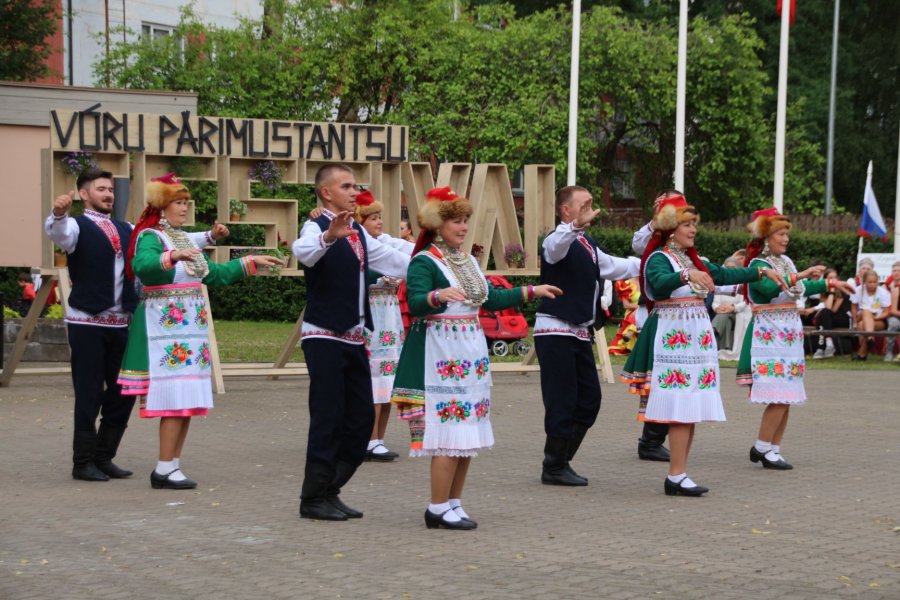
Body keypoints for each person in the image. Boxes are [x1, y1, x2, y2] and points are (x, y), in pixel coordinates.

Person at [391, 186, 562, 530]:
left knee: (466, 435)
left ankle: (453, 502)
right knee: (446, 434)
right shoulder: (424, 261)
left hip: (469, 353)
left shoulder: (466, 260)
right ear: (438, 224)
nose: (464, 227)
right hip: (440, 354)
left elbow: (491, 299)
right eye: (456, 220)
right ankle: (437, 507)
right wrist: (438, 296)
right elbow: (416, 301)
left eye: (465, 220)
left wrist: (531, 291)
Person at [44, 168, 225, 482]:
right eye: (101, 189)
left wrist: (209, 237)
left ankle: (104, 457)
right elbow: (59, 233)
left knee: (123, 392)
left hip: (122, 322)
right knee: (89, 393)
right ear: (84, 194)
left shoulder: (129, 228)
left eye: (110, 189)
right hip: (87, 321)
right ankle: (82, 462)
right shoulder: (75, 225)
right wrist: (58, 214)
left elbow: (170, 239)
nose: (108, 194)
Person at [117, 173, 283, 489]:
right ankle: (163, 468)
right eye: (178, 202)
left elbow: (213, 274)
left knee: (186, 399)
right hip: (165, 330)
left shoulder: (181, 238)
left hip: (189, 331)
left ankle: (171, 466)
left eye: (185, 202)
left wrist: (249, 262)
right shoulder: (151, 236)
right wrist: (171, 257)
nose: (184, 208)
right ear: (162, 206)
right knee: (173, 399)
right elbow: (143, 266)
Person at [621, 194, 788, 496]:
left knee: (690, 405)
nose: (693, 229)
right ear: (670, 228)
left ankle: (679, 474)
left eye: (693, 224)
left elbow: (723, 274)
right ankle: (676, 474)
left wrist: (760, 271)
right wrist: (686, 274)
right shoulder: (659, 257)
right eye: (687, 224)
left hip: (694, 337)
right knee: (679, 406)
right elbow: (658, 282)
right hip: (674, 339)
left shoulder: (692, 258)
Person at [293, 164, 411, 521]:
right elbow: (303, 252)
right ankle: (313, 498)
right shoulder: (316, 227)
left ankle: (329, 490)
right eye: (346, 186)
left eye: (354, 185)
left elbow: (389, 257)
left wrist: (433, 267)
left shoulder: (357, 229)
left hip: (355, 337)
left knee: (360, 419)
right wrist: (329, 237)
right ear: (326, 192)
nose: (354, 191)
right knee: (328, 417)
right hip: (324, 336)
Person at [533, 185, 640, 485]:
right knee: (562, 400)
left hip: (579, 332)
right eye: (584, 204)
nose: (590, 209)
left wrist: (652, 262)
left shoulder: (586, 243)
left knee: (590, 400)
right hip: (554, 329)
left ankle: (560, 461)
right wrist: (574, 227)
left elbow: (615, 265)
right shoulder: (556, 239)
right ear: (566, 210)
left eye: (591, 204)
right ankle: (554, 466)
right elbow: (556, 248)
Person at [737, 207, 852, 470]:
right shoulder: (757, 265)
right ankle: (762, 447)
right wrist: (801, 275)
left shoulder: (785, 262)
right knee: (779, 395)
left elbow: (800, 287)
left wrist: (830, 284)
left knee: (787, 395)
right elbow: (768, 288)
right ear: (766, 237)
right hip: (769, 335)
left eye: (787, 233)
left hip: (787, 334)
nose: (786, 239)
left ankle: (773, 449)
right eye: (781, 233)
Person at [353, 190, 415, 461]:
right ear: (361, 221)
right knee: (374, 381)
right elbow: (359, 274)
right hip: (371, 318)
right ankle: (366, 439)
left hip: (389, 318)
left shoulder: (386, 243)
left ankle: (378, 438)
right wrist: (382, 276)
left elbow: (411, 253)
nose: (379, 222)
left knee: (388, 382)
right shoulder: (355, 244)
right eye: (373, 218)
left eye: (380, 217)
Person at [850, 270, 899, 361]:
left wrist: (875, 318)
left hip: (879, 319)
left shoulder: (883, 292)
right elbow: (853, 307)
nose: (872, 284)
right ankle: (870, 337)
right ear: (864, 282)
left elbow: (886, 312)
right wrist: (855, 321)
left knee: (862, 325)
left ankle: (862, 354)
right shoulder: (858, 290)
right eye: (870, 282)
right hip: (861, 316)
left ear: (877, 282)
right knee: (865, 311)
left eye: (874, 282)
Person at [711, 256, 751, 360]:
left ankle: (712, 333)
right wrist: (717, 308)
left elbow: (745, 302)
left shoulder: (742, 282)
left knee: (726, 315)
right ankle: (726, 348)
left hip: (737, 312)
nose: (729, 269)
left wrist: (733, 308)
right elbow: (715, 302)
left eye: (732, 267)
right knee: (724, 317)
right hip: (723, 312)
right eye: (727, 267)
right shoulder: (721, 283)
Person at [811, 268, 852, 359]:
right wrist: (830, 291)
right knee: (823, 316)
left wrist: (832, 291)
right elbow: (827, 309)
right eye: (830, 278)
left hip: (842, 318)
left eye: (835, 278)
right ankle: (826, 346)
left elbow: (832, 310)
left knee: (823, 315)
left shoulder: (842, 291)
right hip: (829, 319)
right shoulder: (824, 292)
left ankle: (822, 347)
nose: (833, 280)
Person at [608, 277, 640, 355]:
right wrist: (640, 308)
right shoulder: (627, 284)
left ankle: (630, 333)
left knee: (641, 312)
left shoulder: (649, 283)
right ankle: (630, 333)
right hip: (631, 314)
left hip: (646, 313)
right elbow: (626, 305)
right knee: (640, 312)